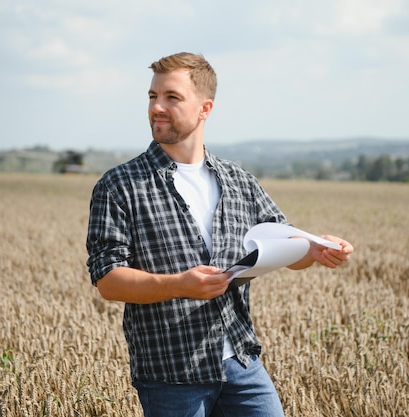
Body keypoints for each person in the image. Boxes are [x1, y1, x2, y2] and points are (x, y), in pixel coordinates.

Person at [86, 52, 354, 417]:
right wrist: (179, 284)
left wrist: (316, 249)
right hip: (172, 375)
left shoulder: (238, 180)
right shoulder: (119, 186)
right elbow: (107, 280)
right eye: (153, 96)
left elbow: (283, 243)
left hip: (242, 365)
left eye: (172, 97)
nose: (157, 107)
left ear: (204, 108)